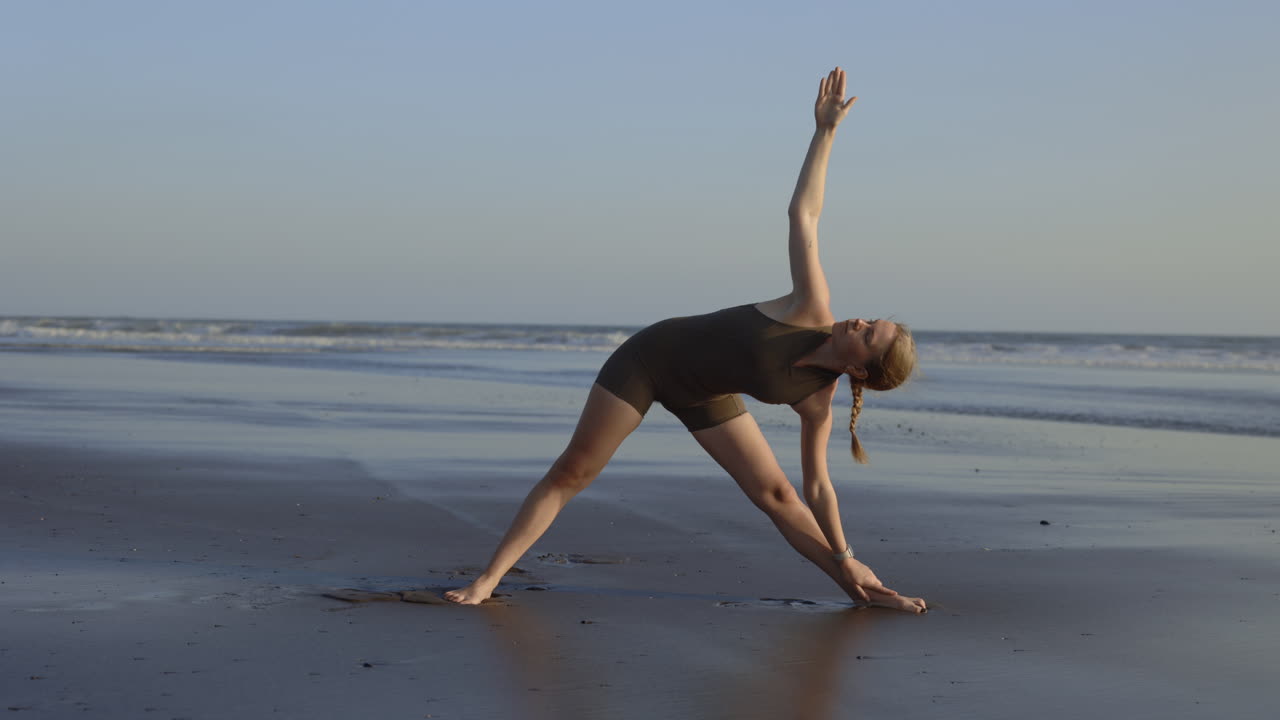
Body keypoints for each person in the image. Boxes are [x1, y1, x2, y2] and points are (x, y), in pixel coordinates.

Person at [445, 67, 926, 613]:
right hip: (650, 360)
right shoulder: (812, 307)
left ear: (861, 369)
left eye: (869, 334)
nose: (859, 322)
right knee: (574, 471)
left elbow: (818, 490)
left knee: (778, 497)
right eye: (869, 320)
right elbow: (804, 214)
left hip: (705, 396)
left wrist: (845, 557)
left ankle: (864, 593)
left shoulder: (818, 401)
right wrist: (825, 132)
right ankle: (486, 581)